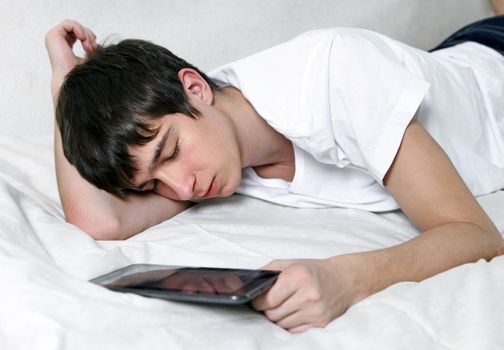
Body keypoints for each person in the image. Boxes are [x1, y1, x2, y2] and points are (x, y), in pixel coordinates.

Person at [45, 2, 504, 333]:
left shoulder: (334, 72)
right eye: (153, 184)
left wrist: (347, 277)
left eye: (169, 152)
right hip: (452, 60)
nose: (181, 186)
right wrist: (64, 88)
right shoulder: (212, 148)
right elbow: (100, 222)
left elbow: (477, 233)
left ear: (195, 87)